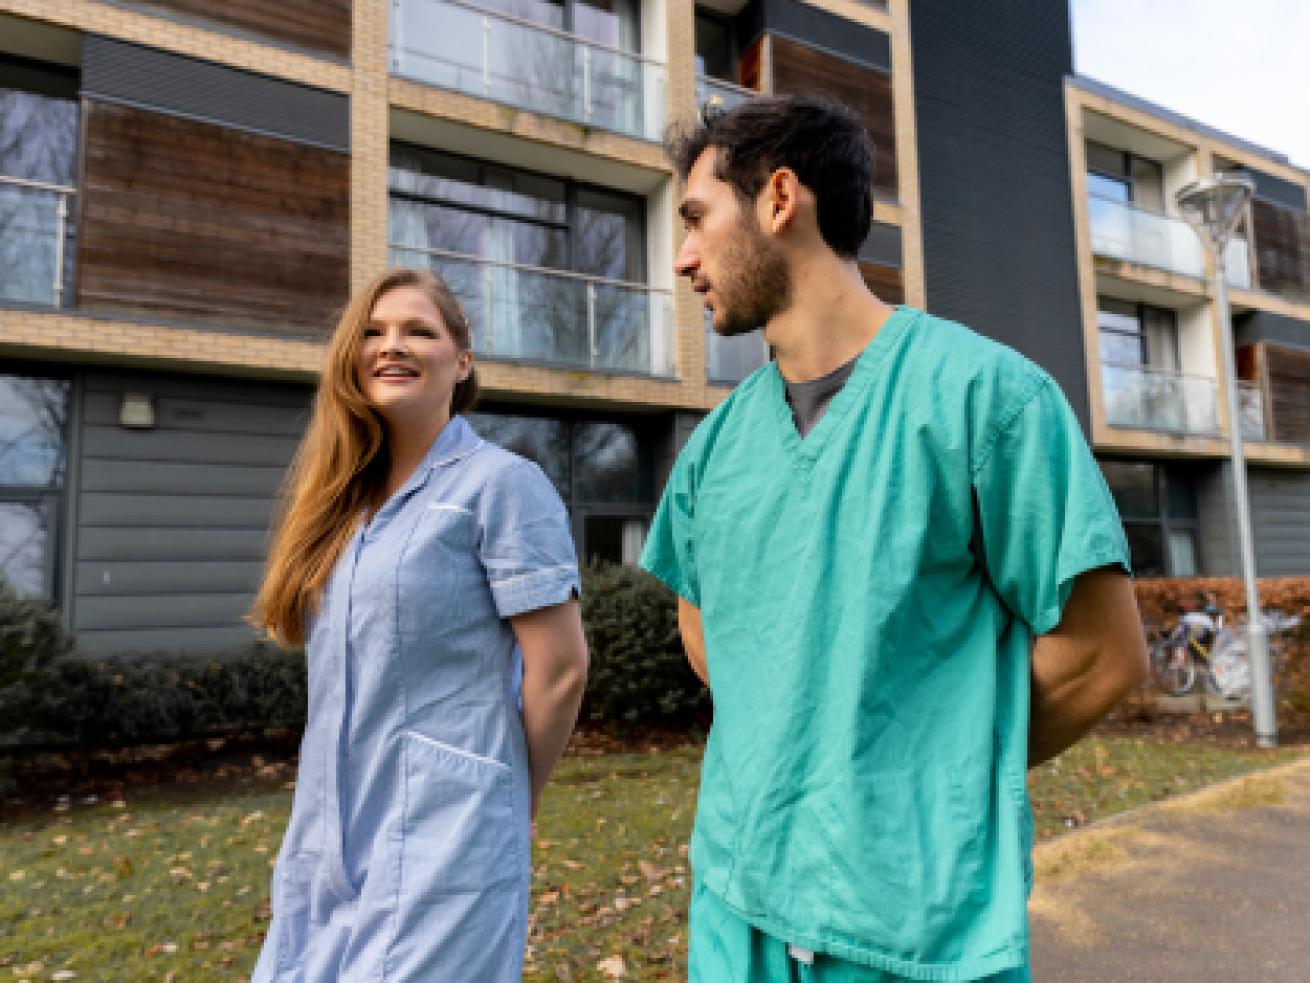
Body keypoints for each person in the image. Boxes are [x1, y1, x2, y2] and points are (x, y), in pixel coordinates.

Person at [640, 95, 1148, 981]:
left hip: (917, 930)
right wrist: (800, 736)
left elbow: (1103, 653)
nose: (681, 256)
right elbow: (702, 626)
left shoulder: (989, 400)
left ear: (778, 199)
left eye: (694, 217)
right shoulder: (712, 450)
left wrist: (927, 769)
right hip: (735, 900)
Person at [248, 267, 589, 981]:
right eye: (372, 332)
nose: (390, 345)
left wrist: (509, 800)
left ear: (462, 363)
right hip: (323, 836)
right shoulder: (338, 509)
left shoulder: (501, 484)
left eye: (417, 330)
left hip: (448, 837)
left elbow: (559, 668)